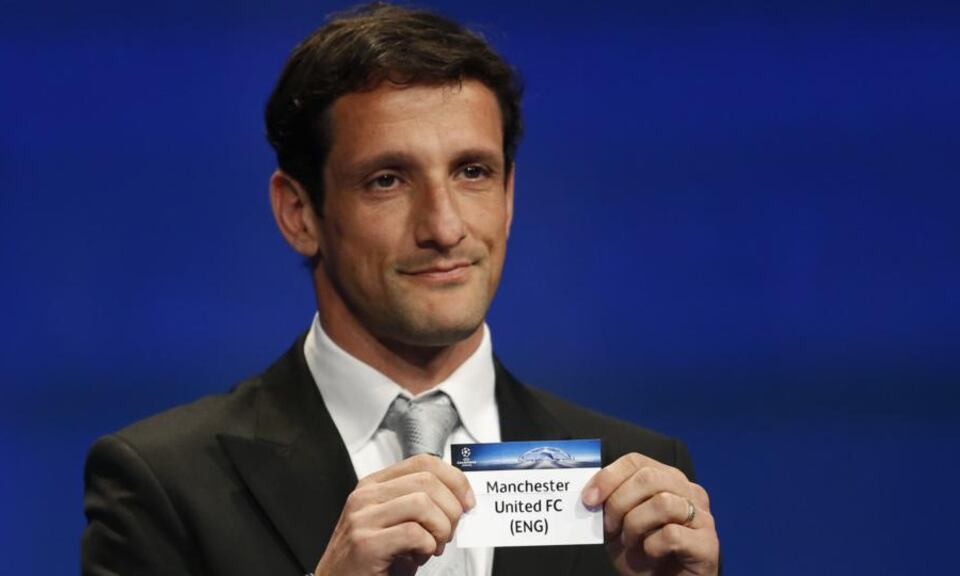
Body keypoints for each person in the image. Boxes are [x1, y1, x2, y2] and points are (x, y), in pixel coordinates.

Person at [81, 4, 720, 575]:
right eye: (387, 180)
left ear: (508, 196)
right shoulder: (164, 485)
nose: (444, 227)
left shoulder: (637, 483)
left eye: (472, 172)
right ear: (299, 213)